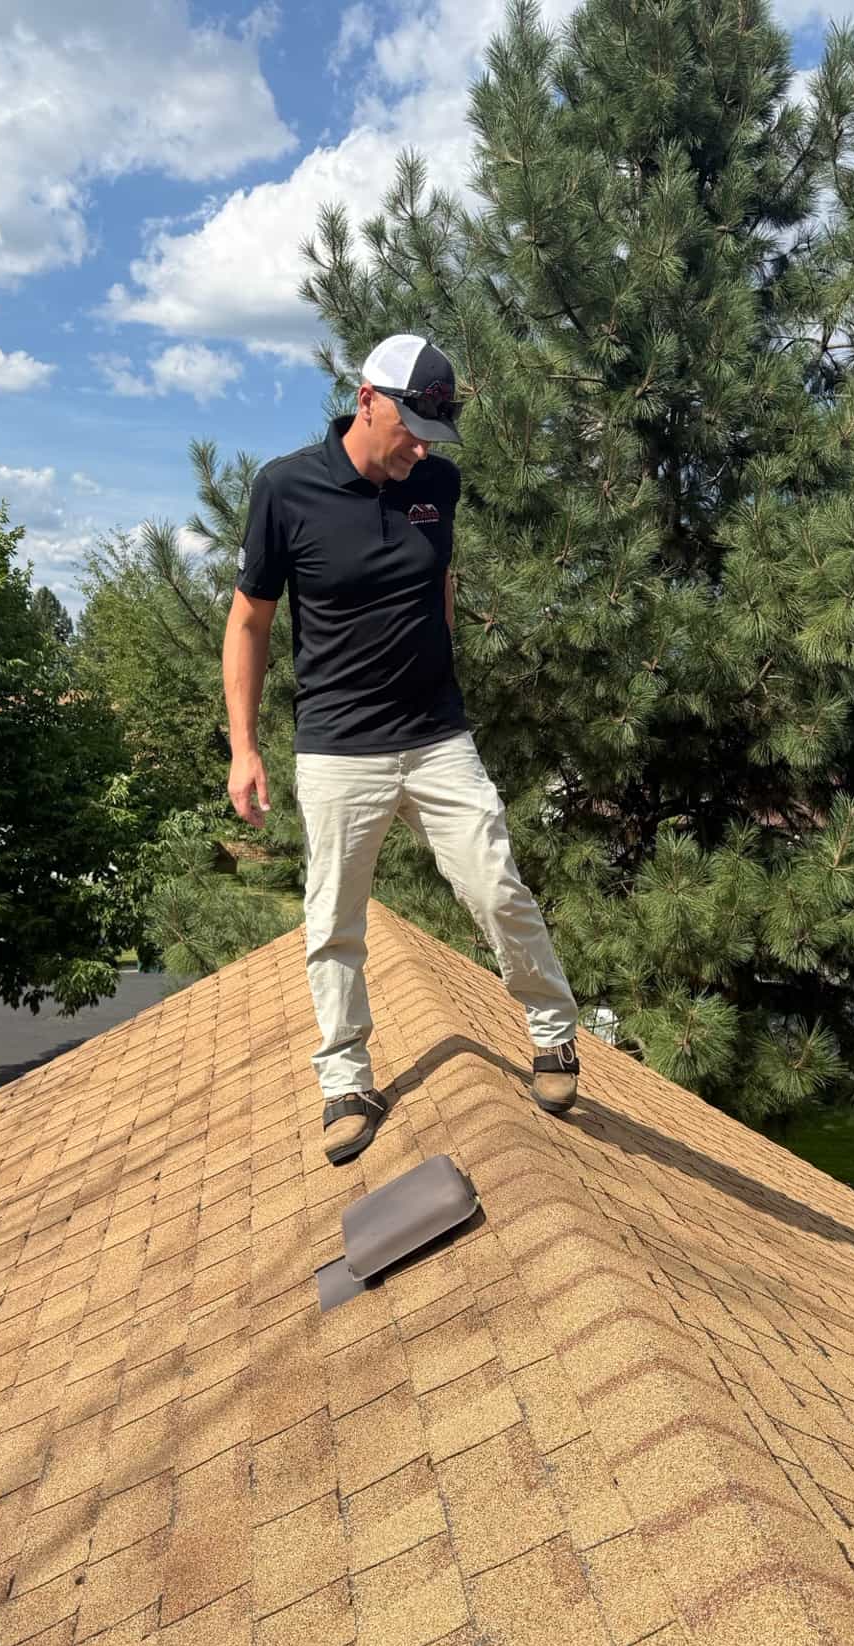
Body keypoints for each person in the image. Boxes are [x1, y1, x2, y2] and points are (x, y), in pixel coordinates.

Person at [222, 334, 582, 1165]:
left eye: (434, 432)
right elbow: (250, 622)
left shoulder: (438, 485)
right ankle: (346, 1080)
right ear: (367, 399)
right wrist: (244, 747)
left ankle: (555, 1034)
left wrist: (439, 665)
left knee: (496, 886)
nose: (422, 446)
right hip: (340, 747)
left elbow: (439, 584)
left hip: (436, 736)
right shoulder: (286, 489)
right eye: (412, 426)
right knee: (334, 923)